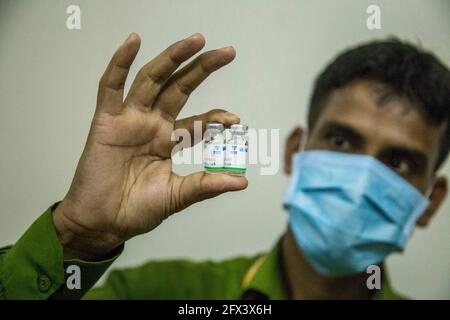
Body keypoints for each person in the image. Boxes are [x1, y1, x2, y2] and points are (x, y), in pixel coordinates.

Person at [0, 32, 449, 300]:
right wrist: (81, 233)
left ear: (430, 201)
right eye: (340, 139)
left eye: (399, 161)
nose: (360, 180)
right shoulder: (160, 292)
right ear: (294, 151)